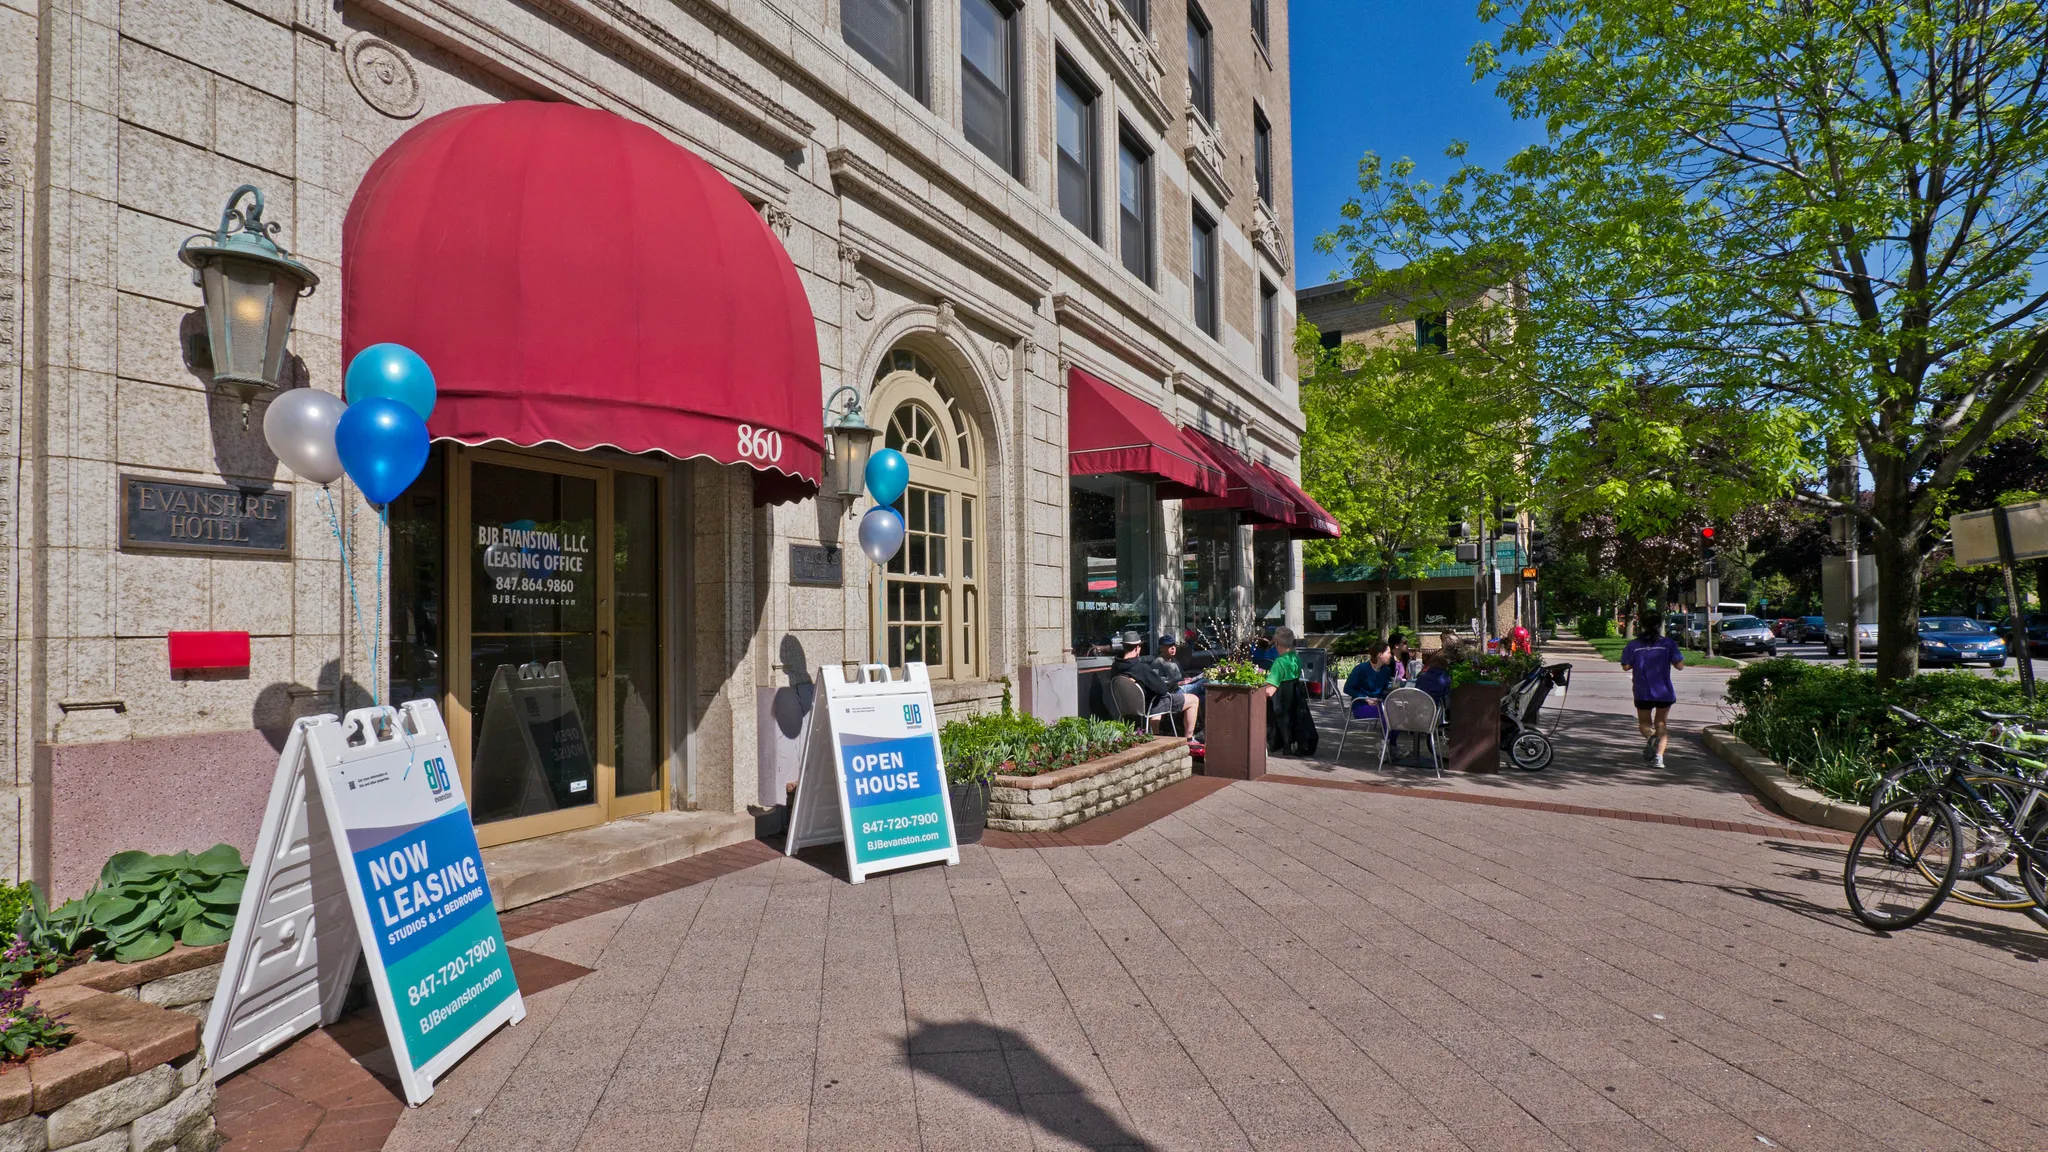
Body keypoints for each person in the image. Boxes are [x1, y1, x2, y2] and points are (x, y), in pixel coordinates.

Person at [1110, 630, 1200, 741]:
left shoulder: (1115, 667)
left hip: (1125, 707)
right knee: (1193, 700)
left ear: (1124, 646)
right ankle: (1189, 739)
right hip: (1150, 706)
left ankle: (1157, 735)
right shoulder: (1141, 668)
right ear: (1138, 648)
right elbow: (1162, 690)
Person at [1621, 614, 1685, 767]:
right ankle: (1659, 758)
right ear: (1659, 625)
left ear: (1641, 625)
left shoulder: (1633, 645)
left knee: (1644, 724)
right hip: (1663, 691)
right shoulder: (1668, 644)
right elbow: (1680, 666)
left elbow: (1626, 666)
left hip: (1642, 691)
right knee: (1661, 724)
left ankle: (1651, 738)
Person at [1344, 641, 1398, 706]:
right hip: (1361, 705)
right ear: (1380, 655)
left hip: (1379, 704)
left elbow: (1384, 690)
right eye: (1389, 653)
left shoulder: (1386, 670)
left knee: (1399, 711)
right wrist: (1366, 698)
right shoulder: (1361, 669)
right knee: (1390, 715)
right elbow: (1347, 688)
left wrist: (1393, 688)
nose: (1391, 656)